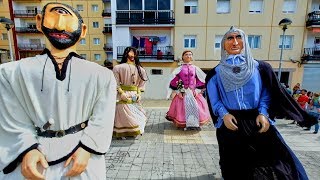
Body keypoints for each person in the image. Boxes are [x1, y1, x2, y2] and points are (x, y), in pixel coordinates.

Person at [0, 3, 116, 180]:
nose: (60, 25)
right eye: (54, 16)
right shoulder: (11, 73)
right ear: (39, 21)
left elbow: (103, 117)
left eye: (68, 19)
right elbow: (11, 117)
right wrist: (26, 148)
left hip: (82, 156)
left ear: (83, 30)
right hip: (34, 156)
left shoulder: (102, 75)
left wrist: (87, 148)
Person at [205, 26, 317, 180]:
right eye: (229, 38)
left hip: (257, 122)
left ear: (245, 41)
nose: (235, 42)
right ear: (223, 43)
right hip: (232, 124)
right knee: (236, 166)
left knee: (274, 162)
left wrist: (263, 113)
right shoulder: (215, 73)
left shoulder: (260, 68)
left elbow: (266, 93)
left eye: (239, 37)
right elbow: (214, 100)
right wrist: (224, 114)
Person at [166, 50, 210, 130]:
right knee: (182, 109)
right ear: (183, 57)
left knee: (196, 107)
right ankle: (183, 124)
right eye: (186, 54)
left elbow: (201, 80)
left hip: (193, 92)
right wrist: (179, 91)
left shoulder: (196, 68)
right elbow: (175, 80)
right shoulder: (179, 69)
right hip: (183, 92)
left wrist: (197, 90)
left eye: (190, 54)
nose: (188, 56)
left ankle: (194, 123)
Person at [112, 47, 148, 139]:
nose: (132, 55)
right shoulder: (117, 68)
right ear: (126, 54)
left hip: (135, 95)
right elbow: (115, 83)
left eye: (134, 53)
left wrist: (139, 94)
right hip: (122, 94)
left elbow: (141, 85)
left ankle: (133, 131)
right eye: (130, 52)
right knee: (122, 115)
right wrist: (121, 92)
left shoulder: (141, 70)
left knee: (137, 114)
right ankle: (122, 133)